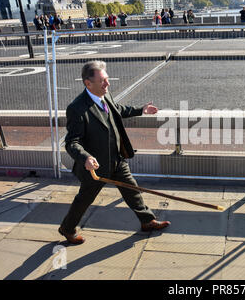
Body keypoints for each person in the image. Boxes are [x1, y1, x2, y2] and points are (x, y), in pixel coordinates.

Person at [58, 61, 170, 245]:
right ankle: (67, 229)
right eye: (103, 81)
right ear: (88, 83)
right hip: (95, 168)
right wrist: (85, 157)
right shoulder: (77, 108)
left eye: (107, 79)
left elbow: (117, 110)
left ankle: (147, 221)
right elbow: (72, 142)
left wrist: (140, 110)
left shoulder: (104, 94)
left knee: (132, 190)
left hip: (117, 159)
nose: (107, 84)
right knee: (84, 200)